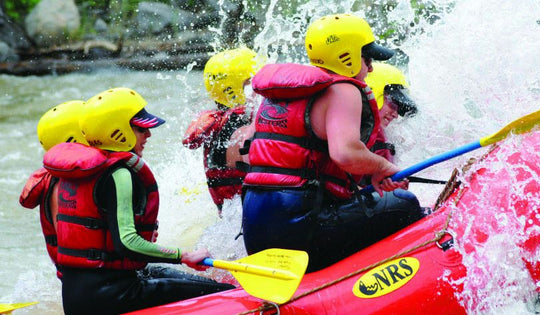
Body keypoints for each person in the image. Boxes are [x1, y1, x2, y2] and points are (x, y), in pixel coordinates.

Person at [241, 14, 425, 272]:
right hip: (300, 233)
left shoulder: (280, 92)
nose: (371, 68)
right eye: (368, 58)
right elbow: (346, 153)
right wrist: (381, 166)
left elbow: (254, 154)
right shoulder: (343, 90)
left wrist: (368, 173)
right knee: (405, 203)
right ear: (347, 57)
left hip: (255, 233)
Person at [43, 87, 234, 315]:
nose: (149, 135)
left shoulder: (68, 176)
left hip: (78, 294)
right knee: (224, 293)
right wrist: (184, 256)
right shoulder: (118, 174)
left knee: (181, 279)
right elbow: (127, 243)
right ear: (119, 131)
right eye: (141, 128)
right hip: (111, 293)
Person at [183, 47, 261, 215]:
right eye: (255, 80)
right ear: (237, 89)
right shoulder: (240, 128)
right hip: (247, 223)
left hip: (230, 222)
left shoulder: (218, 124)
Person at [19, 100, 88, 279]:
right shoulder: (64, 185)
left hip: (86, 279)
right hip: (88, 281)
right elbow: (74, 246)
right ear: (76, 139)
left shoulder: (68, 178)